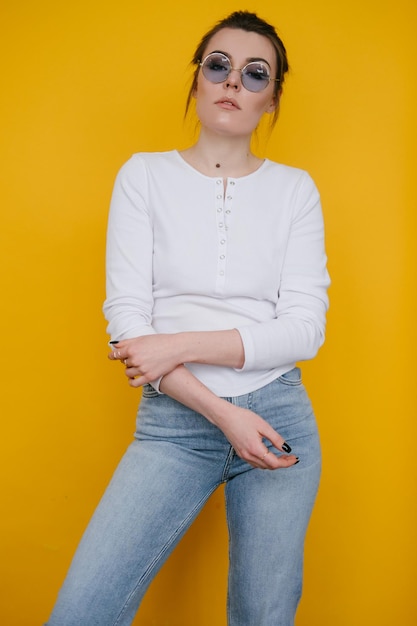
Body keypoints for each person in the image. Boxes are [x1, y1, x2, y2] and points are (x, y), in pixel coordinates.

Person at [46, 10, 330, 626]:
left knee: (264, 617)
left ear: (272, 99)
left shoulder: (295, 191)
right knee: (82, 612)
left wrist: (174, 344)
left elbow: (306, 329)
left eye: (256, 74)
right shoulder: (143, 176)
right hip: (175, 423)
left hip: (279, 419)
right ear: (197, 80)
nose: (233, 82)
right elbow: (127, 322)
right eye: (218, 65)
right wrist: (224, 414)